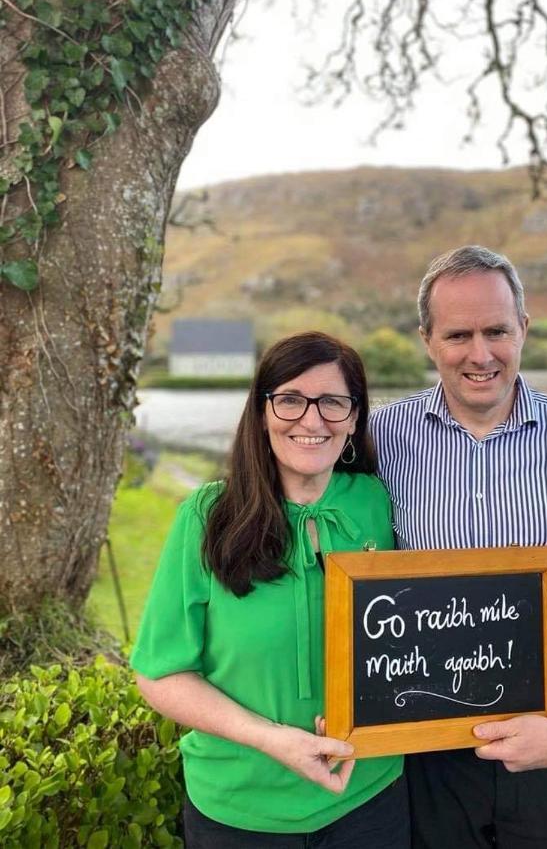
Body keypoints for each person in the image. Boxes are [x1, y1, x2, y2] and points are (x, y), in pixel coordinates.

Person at [370, 245, 547, 849]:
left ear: (523, 329)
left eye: (497, 330)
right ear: (427, 340)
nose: (480, 354)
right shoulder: (379, 438)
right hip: (427, 758)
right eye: (458, 334)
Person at [131, 332, 408, 848]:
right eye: (290, 400)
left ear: (353, 418)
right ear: (262, 412)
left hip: (369, 799)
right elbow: (161, 672)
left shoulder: (379, 501)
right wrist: (272, 740)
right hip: (238, 810)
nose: (311, 419)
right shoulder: (207, 517)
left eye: (332, 402)